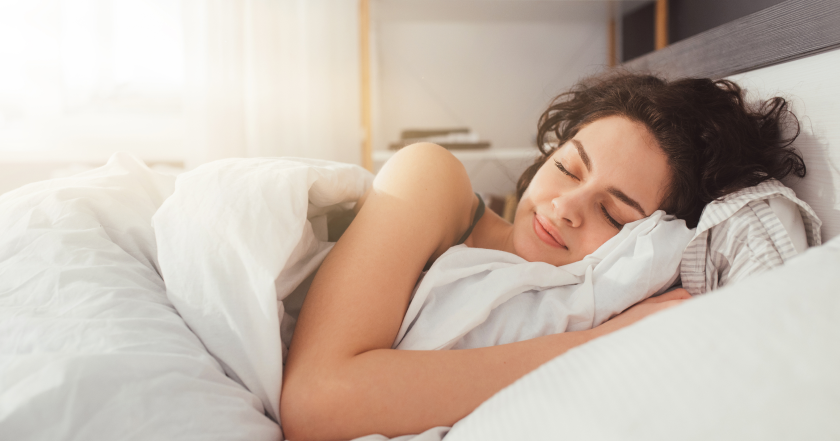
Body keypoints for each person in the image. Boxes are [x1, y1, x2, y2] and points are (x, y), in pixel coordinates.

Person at [280, 73, 805, 440]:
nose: (566, 206)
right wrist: (600, 345)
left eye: (615, 214)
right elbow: (315, 401)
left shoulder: (584, 300)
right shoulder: (433, 178)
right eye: (569, 168)